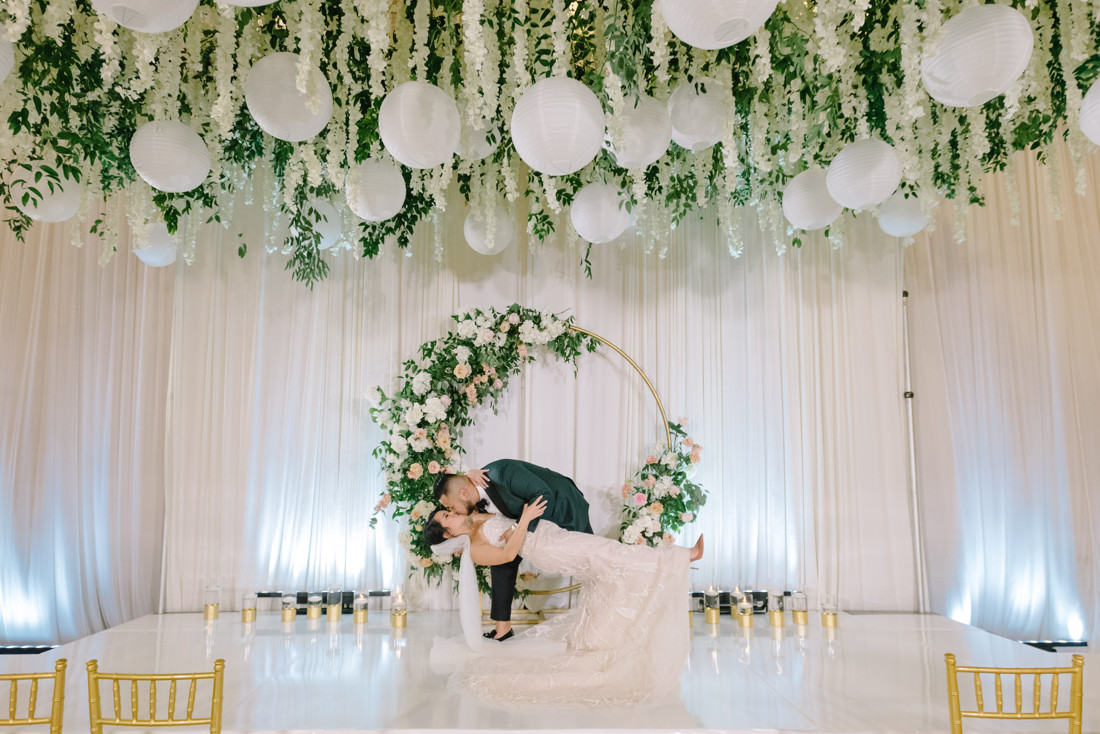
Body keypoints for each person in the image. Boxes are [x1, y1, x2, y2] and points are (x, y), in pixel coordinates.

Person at [423, 499, 703, 706]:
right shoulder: (477, 550)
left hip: (549, 534)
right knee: (608, 553)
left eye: (448, 510)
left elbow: (474, 491)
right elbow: (509, 555)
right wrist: (525, 518)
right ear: (447, 534)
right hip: (547, 548)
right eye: (448, 516)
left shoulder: (477, 519)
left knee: (606, 571)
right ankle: (681, 557)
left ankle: (600, 637)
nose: (453, 512)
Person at [434, 459, 593, 641]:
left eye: (451, 507)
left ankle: (596, 615)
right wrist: (460, 542)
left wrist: (517, 527)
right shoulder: (473, 497)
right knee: (500, 557)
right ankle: (503, 628)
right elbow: (475, 523)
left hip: (564, 508)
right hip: (530, 524)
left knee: (591, 562)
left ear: (463, 493)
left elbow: (543, 493)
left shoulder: (502, 473)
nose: (454, 512)